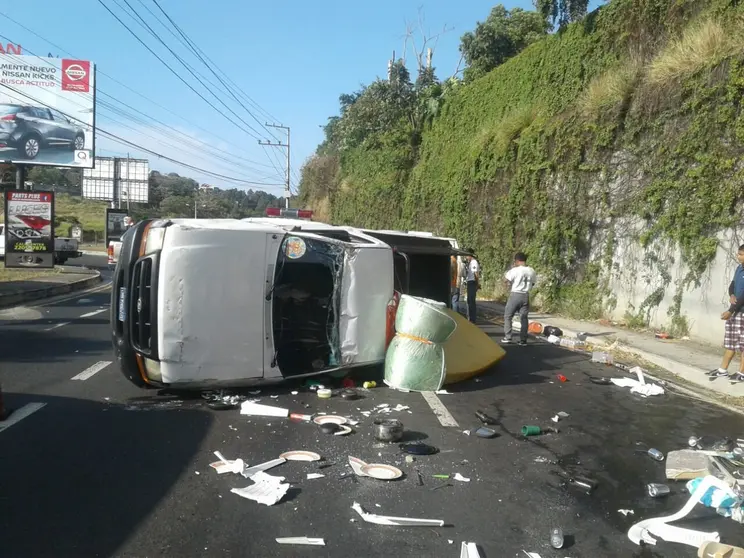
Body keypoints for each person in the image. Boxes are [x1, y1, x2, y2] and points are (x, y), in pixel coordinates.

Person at [709, 244, 744, 381]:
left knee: (742, 344)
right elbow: (733, 284)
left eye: (741, 254)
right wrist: (731, 294)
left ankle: (741, 373)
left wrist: (730, 310)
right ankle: (722, 370)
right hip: (735, 311)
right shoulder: (739, 268)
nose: (738, 256)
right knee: (731, 342)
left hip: (740, 312)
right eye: (738, 253)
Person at [502, 252, 537, 346]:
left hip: (515, 294)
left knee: (508, 316)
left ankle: (508, 337)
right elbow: (533, 283)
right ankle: (523, 340)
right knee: (524, 318)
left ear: (517, 261)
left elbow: (506, 279)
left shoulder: (515, 270)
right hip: (525, 295)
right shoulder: (531, 270)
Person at [465, 251, 480, 323]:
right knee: (469, 300)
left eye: (467, 256)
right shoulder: (471, 262)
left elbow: (475, 273)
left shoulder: (474, 262)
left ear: (470, 255)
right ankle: (470, 317)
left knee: (471, 301)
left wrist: (477, 283)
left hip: (472, 282)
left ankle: (472, 319)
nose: (466, 257)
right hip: (470, 281)